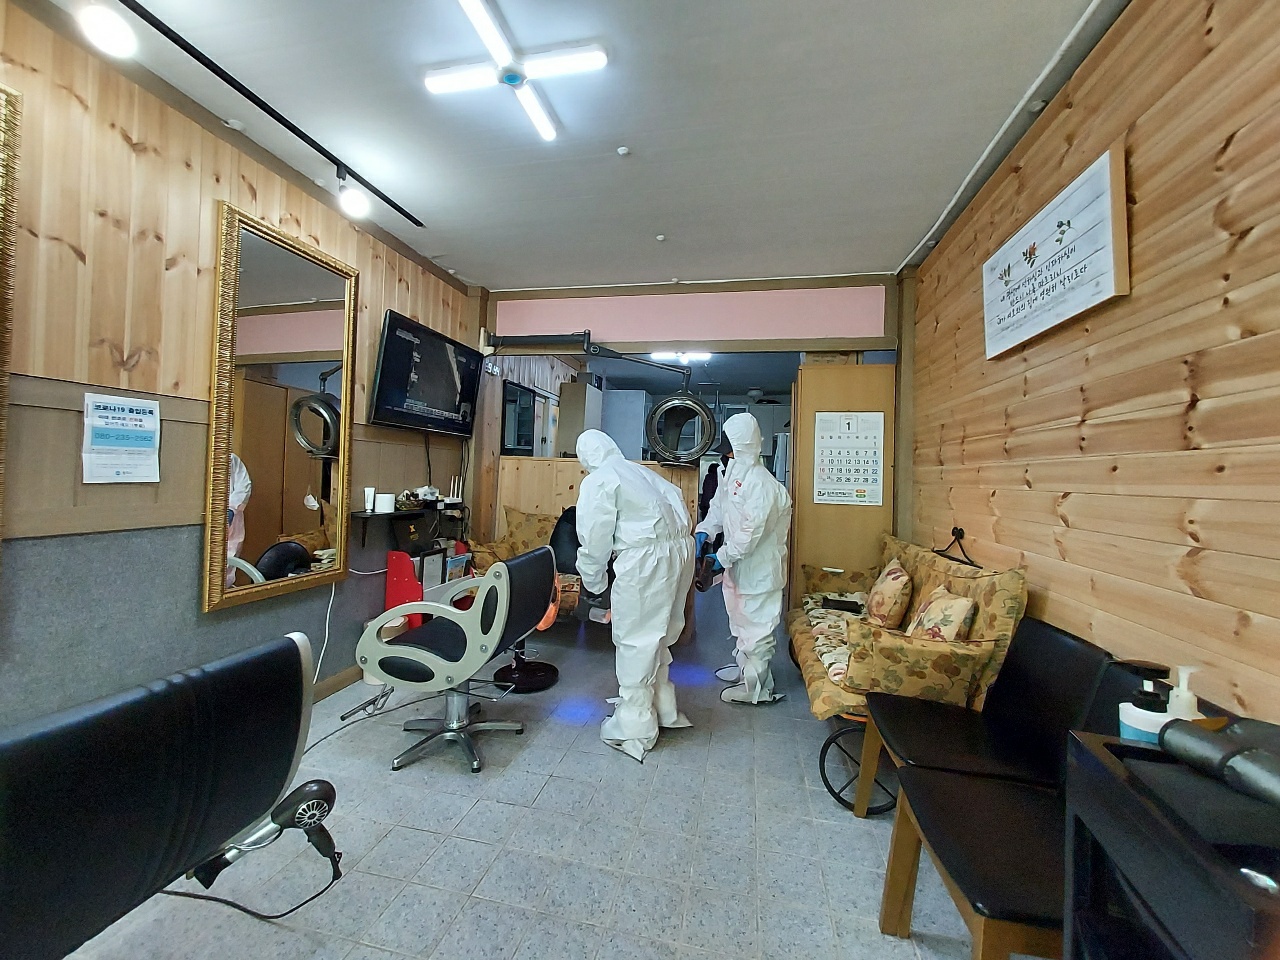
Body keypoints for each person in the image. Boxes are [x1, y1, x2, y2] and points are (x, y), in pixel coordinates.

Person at [575, 430, 695, 761]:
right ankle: (663, 705)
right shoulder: (642, 473)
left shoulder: (600, 480)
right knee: (662, 633)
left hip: (646, 559)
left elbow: (594, 540)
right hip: (680, 551)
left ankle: (636, 724)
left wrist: (594, 582)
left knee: (636, 639)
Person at [696, 412, 792, 704]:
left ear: (742, 446)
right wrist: (705, 530)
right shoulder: (732, 474)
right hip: (739, 567)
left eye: (730, 446)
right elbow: (719, 508)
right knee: (740, 621)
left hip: (760, 570)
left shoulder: (762, 484)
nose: (725, 452)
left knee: (757, 628)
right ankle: (744, 669)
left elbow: (751, 533)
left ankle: (756, 688)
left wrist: (722, 556)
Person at [226, 453, 252, 588]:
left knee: (230, 558)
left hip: (232, 517)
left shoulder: (230, 459)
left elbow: (244, 485)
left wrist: (231, 509)